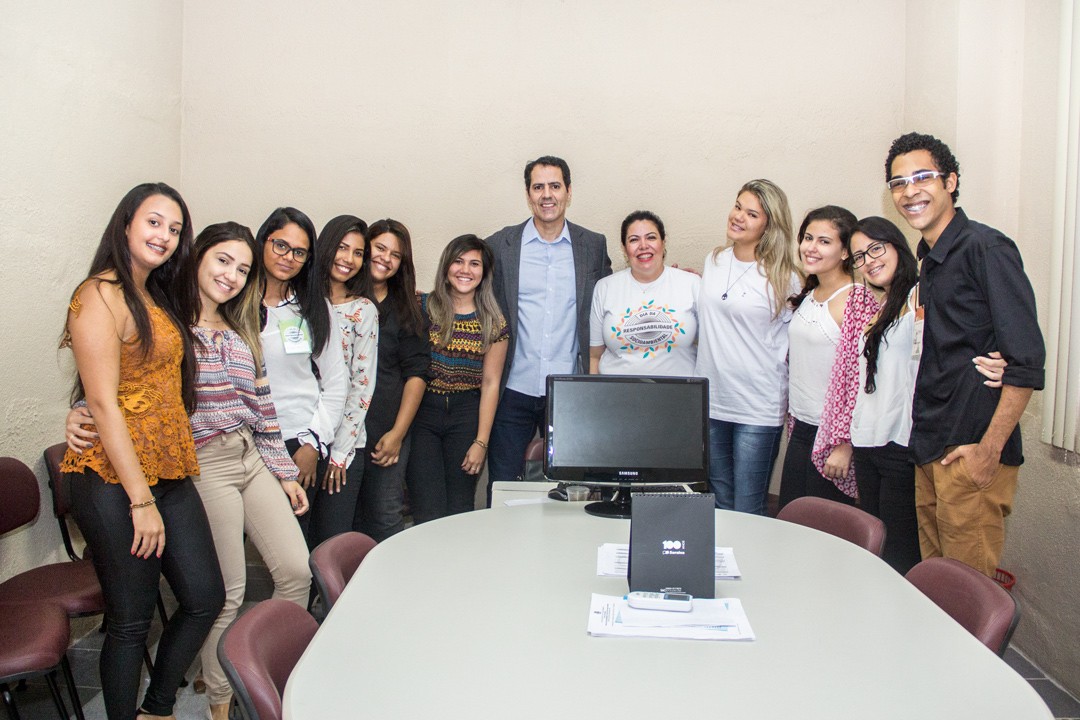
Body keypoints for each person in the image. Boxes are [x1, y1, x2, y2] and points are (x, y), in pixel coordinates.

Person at [68, 222, 313, 720]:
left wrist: (284, 471)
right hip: (201, 464)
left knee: (296, 570)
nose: (232, 275)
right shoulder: (166, 321)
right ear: (197, 257)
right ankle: (220, 699)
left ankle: (274, 668)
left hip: (249, 455)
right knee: (227, 594)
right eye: (223, 261)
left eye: (242, 269)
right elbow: (120, 382)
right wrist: (79, 410)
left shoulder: (242, 325)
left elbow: (262, 406)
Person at [59, 183, 225, 720]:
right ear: (126, 223)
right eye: (154, 222)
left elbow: (143, 382)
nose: (165, 236)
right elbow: (102, 402)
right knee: (131, 622)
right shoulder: (98, 293)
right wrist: (140, 499)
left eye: (175, 229)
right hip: (114, 481)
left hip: (168, 468)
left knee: (205, 597)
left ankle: (157, 708)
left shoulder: (154, 293)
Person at [885, 131, 1045, 576]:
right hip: (930, 447)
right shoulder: (928, 261)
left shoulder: (986, 248)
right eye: (898, 183)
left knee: (966, 594)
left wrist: (988, 450)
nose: (910, 191)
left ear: (950, 182)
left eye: (923, 177)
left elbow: (1027, 362)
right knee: (936, 589)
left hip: (970, 448)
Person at [485, 155, 612, 498]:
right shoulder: (501, 246)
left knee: (574, 490)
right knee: (504, 486)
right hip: (514, 387)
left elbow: (612, 299)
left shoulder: (592, 246)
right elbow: (474, 295)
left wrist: (663, 282)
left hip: (570, 389)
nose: (547, 195)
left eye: (555, 186)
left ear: (568, 191)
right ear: (528, 194)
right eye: (538, 187)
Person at [694, 180, 801, 514]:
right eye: (738, 206)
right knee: (720, 503)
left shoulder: (785, 276)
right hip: (712, 402)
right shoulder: (714, 261)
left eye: (752, 214)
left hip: (757, 406)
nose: (738, 216)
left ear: (769, 225)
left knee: (747, 508)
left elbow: (797, 344)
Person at [257, 207, 349, 549]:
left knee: (295, 550)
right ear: (264, 241)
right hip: (246, 444)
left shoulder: (313, 308)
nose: (288, 257)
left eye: (299, 252)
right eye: (281, 245)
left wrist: (313, 444)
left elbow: (336, 383)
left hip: (298, 442)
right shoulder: (234, 301)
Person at [779, 206, 879, 510]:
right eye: (808, 238)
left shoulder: (857, 300)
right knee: (792, 519)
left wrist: (845, 444)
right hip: (801, 428)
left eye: (824, 241)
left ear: (845, 251)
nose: (811, 247)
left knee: (823, 529)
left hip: (833, 438)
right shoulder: (809, 295)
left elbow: (865, 378)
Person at [408, 235, 509, 523]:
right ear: (446, 267)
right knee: (427, 508)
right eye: (458, 261)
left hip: (466, 417)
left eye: (474, 264)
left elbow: (491, 384)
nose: (465, 270)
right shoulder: (422, 307)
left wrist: (481, 442)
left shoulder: (494, 322)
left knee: (459, 508)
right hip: (424, 413)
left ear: (484, 272)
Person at [354, 219, 430, 539]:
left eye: (395, 255)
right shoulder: (341, 299)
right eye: (380, 248)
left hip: (386, 429)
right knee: (344, 514)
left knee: (385, 513)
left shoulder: (408, 309)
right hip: (341, 430)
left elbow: (417, 375)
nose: (386, 258)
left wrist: (398, 434)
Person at [313, 215, 379, 536]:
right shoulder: (300, 303)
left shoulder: (363, 310)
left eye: (358, 253)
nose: (348, 259)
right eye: (342, 247)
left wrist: (339, 453)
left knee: (330, 542)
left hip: (343, 447)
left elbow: (362, 386)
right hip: (300, 440)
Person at [589, 210, 699, 376]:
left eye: (651, 237)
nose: (643, 246)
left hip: (680, 390)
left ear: (663, 242)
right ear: (624, 248)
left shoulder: (691, 284)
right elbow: (595, 356)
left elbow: (710, 349)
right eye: (634, 240)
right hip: (616, 390)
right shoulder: (604, 288)